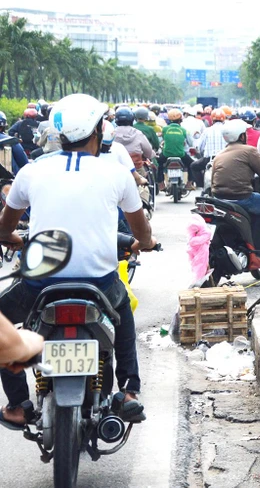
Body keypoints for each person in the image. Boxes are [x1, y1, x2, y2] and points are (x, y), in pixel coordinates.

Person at [0, 94, 155, 426]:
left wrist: (12, 239)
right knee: (123, 312)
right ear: (98, 130)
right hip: (98, 282)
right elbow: (141, 230)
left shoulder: (31, 171)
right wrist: (147, 242)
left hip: (39, 282)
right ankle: (128, 390)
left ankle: (18, 404)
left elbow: (6, 227)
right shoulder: (116, 173)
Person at [211, 120, 260, 258]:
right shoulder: (249, 151)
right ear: (241, 137)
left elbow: (213, 181)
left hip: (219, 199)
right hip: (243, 198)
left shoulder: (219, 155)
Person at [158, 109, 194, 191]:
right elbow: (191, 143)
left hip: (166, 153)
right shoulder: (184, 130)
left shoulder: (165, 129)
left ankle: (160, 183)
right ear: (180, 119)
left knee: (159, 164)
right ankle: (189, 183)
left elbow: (161, 140)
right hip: (180, 154)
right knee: (191, 164)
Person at [191, 110, 228, 188]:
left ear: (212, 119)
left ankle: (202, 186)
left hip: (209, 159)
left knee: (193, 166)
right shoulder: (227, 130)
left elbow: (200, 147)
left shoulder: (207, 130)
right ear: (223, 119)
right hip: (225, 160)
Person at [113, 108, 155, 174]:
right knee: (145, 181)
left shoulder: (111, 134)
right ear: (132, 119)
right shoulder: (138, 133)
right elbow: (148, 152)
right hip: (137, 169)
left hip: (116, 170)